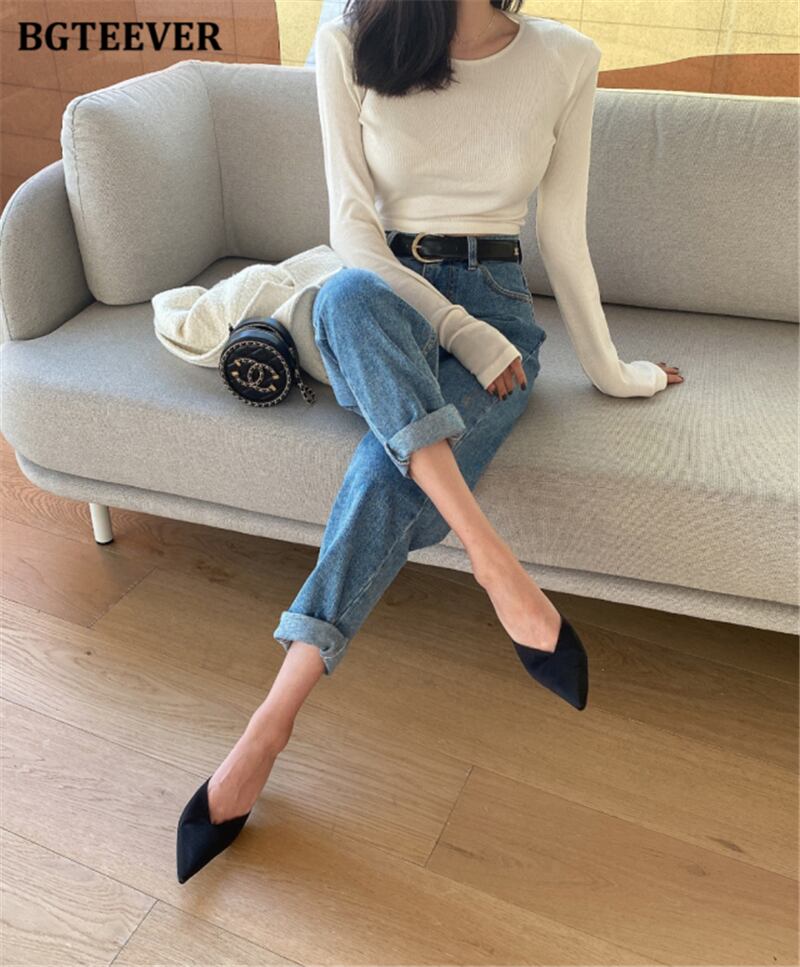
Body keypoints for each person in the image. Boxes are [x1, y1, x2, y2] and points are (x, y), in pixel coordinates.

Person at [176, 0, 683, 883]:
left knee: (392, 467)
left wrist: (614, 371)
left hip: (501, 308)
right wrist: (456, 329)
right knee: (344, 296)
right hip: (380, 297)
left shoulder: (567, 58)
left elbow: (561, 235)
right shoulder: (349, 38)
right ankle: (494, 562)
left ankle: (270, 723)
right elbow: (351, 230)